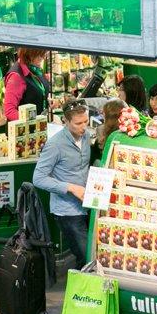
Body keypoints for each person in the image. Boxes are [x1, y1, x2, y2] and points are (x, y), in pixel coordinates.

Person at [32, 99, 93, 265]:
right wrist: (71, 188)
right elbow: (38, 178)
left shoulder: (86, 136)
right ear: (65, 121)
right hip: (67, 211)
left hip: (88, 205)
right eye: (78, 123)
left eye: (86, 122)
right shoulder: (55, 145)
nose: (83, 127)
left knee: (92, 254)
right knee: (86, 257)